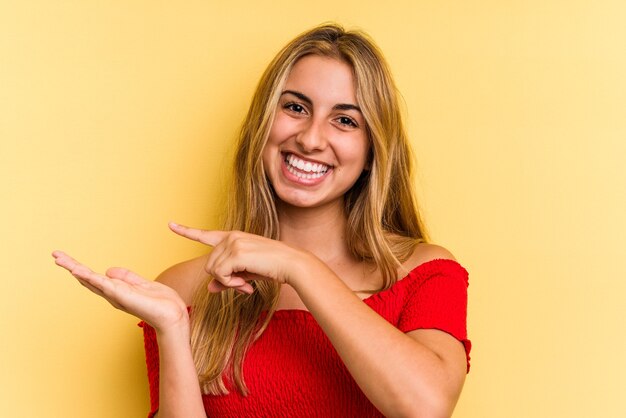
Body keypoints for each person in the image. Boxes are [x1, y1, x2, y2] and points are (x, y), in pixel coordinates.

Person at [53, 23, 471, 418]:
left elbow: (425, 406)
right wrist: (174, 328)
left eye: (345, 120)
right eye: (295, 107)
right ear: (262, 124)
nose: (310, 138)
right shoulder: (183, 290)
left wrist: (299, 266)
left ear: (371, 153)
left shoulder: (422, 273)